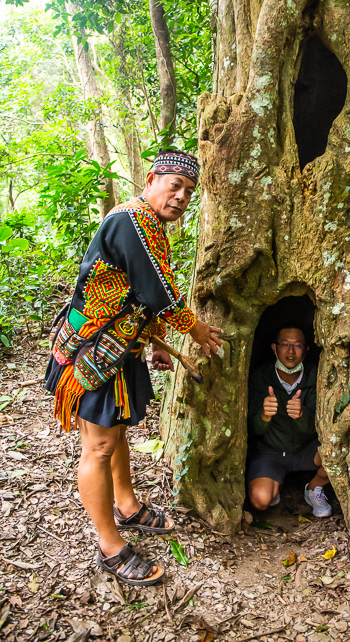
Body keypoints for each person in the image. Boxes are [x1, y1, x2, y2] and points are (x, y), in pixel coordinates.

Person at [45, 150, 222, 587]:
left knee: (117, 434)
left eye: (188, 191)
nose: (180, 197)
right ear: (150, 179)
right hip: (95, 351)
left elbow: (135, 296)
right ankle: (110, 546)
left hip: (121, 348)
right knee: (98, 448)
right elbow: (158, 291)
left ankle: (127, 505)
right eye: (174, 185)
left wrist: (152, 341)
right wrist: (193, 328)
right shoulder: (130, 220)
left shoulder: (151, 224)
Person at [247, 326, 332, 518]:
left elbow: (322, 427)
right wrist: (264, 416)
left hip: (306, 448)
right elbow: (253, 429)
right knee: (260, 501)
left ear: (307, 349)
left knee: (337, 453)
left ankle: (313, 487)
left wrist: (302, 416)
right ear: (274, 348)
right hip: (271, 451)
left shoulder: (316, 376)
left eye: (297, 345)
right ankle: (274, 484)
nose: (291, 351)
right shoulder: (260, 377)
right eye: (285, 345)